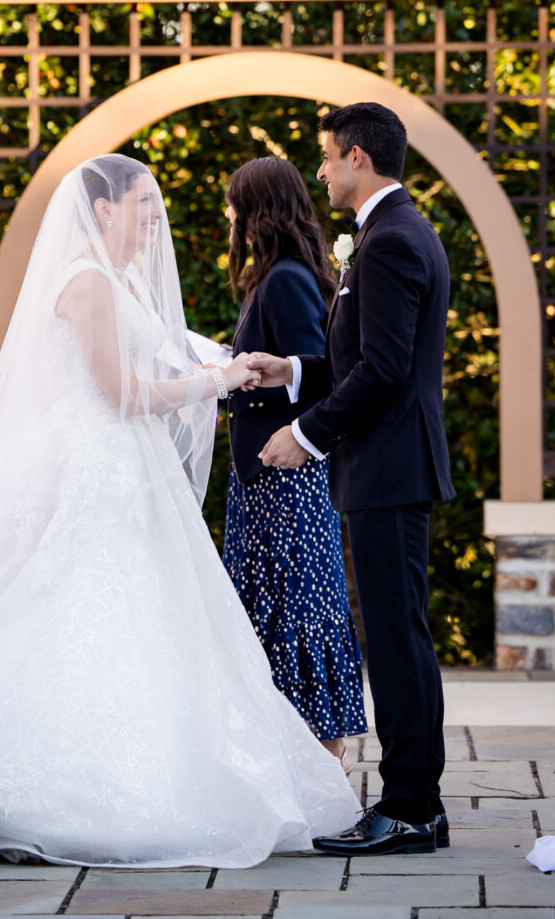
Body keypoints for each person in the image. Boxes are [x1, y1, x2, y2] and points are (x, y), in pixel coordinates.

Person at [0, 155, 360, 868]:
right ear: (102, 210)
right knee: (55, 608)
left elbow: (155, 360)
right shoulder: (85, 282)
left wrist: (218, 367)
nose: (152, 218)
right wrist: (216, 380)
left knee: (140, 619)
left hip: (123, 470)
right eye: (141, 204)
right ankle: (12, 785)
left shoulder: (122, 280)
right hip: (90, 466)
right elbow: (121, 391)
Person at [254, 102, 456, 857]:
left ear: (358, 158)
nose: (322, 171)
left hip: (388, 469)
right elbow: (363, 355)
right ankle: (415, 803)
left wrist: (302, 435)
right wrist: (296, 369)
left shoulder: (390, 240)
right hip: (387, 468)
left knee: (398, 642)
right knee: (400, 636)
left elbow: (384, 370)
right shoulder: (388, 233)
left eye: (328, 157)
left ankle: (409, 806)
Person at [221, 156, 368, 771]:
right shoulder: (279, 274)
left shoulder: (283, 279)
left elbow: (321, 370)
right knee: (280, 606)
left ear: (257, 210)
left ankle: (324, 759)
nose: (228, 216)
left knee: (298, 606)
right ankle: (298, 763)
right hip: (265, 477)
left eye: (235, 203)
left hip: (283, 476)